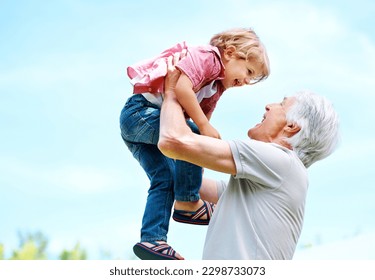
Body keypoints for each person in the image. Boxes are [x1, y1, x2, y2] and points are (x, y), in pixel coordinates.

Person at [157, 56, 340, 260]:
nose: (269, 106)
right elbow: (186, 182)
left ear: (291, 126)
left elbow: (172, 141)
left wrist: (173, 91)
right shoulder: (267, 180)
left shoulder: (281, 161)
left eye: (281, 104)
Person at [120, 28, 270, 260]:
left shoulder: (216, 88)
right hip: (140, 113)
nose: (247, 81)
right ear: (230, 53)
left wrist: (204, 135)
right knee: (192, 135)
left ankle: (152, 240)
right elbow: (181, 88)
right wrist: (202, 128)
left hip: (149, 127)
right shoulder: (209, 57)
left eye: (252, 79)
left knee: (165, 177)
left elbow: (199, 126)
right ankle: (187, 202)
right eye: (248, 71)